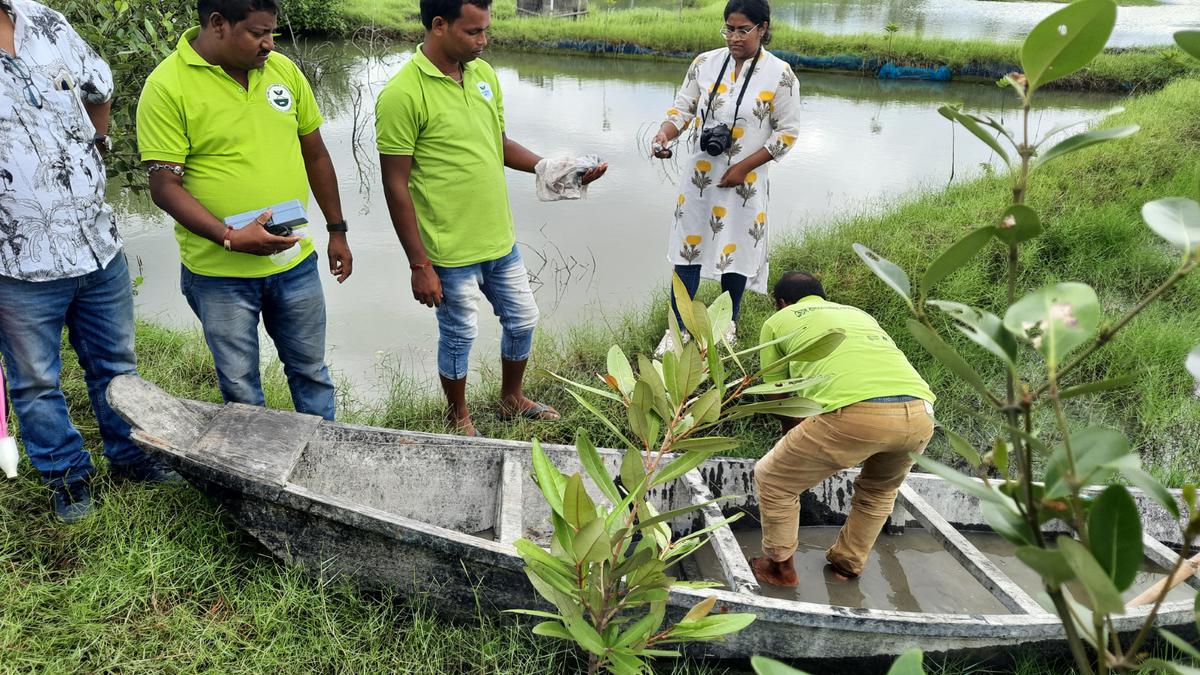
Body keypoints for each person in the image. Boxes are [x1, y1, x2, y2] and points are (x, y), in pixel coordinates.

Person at [375, 0, 607, 437]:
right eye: (473, 32)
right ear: (439, 25)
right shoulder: (402, 93)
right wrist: (419, 264)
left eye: (486, 30)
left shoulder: (483, 75)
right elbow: (395, 184)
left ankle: (511, 398)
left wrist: (554, 169)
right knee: (460, 334)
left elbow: (496, 143)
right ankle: (458, 415)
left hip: (498, 239)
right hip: (448, 248)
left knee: (523, 319)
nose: (484, 41)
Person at [0, 0, 181, 523]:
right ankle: (66, 474)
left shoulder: (46, 21)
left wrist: (97, 141)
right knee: (34, 380)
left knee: (117, 365)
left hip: (96, 243)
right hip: (16, 263)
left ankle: (130, 456)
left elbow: (98, 88)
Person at [137, 0, 353, 422]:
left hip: (294, 261)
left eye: (272, 32)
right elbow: (164, 187)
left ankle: (324, 462)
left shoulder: (284, 72)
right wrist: (231, 237)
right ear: (218, 24)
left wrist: (337, 230)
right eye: (258, 33)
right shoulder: (167, 86)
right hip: (219, 275)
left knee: (311, 372)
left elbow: (316, 155)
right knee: (240, 385)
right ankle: (254, 478)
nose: (270, 44)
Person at [749, 271, 936, 586]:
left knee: (774, 479)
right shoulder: (857, 313)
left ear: (781, 302)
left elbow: (776, 391)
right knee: (879, 490)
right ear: (822, 296)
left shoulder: (779, 321)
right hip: (921, 411)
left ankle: (780, 569)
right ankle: (847, 567)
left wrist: (792, 434)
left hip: (857, 411)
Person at [650, 0, 800, 356]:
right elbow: (682, 107)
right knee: (687, 249)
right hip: (700, 178)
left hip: (745, 183)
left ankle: (725, 325)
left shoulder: (781, 73)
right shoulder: (704, 63)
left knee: (737, 247)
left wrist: (743, 167)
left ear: (762, 28)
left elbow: (787, 134)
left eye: (742, 30)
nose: (733, 37)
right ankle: (678, 328)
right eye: (728, 29)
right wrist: (664, 134)